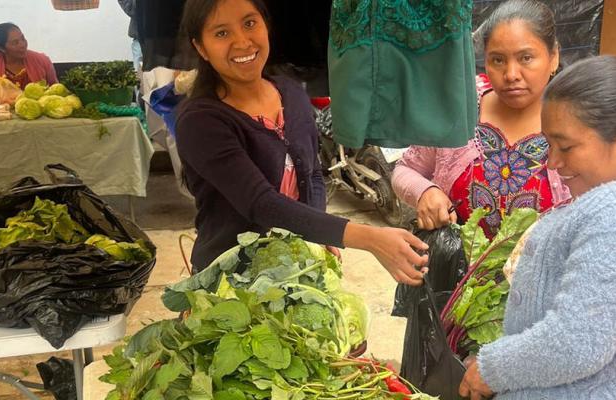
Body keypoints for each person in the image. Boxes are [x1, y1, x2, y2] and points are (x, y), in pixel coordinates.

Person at [458, 55, 616, 399]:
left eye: (567, 147)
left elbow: (575, 343)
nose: (553, 163)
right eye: (549, 145)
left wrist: (490, 369)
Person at [174, 0, 429, 284]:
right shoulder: (200, 122)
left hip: (298, 270)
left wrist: (318, 231)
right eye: (222, 33)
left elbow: (313, 174)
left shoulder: (290, 93)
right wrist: (368, 238)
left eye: (249, 23)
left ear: (265, 25)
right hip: (230, 283)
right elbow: (261, 204)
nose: (242, 41)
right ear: (200, 47)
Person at [391, 0, 569, 239]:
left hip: (542, 275)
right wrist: (425, 191)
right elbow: (405, 170)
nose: (511, 74)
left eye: (526, 58)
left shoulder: (578, 122)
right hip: (458, 274)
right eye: (498, 60)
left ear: (553, 57)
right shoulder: (460, 107)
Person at [0, 23, 58, 93]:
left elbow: (56, 91)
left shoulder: (42, 61)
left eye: (23, 38)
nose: (22, 45)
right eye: (15, 43)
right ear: (1, 48)